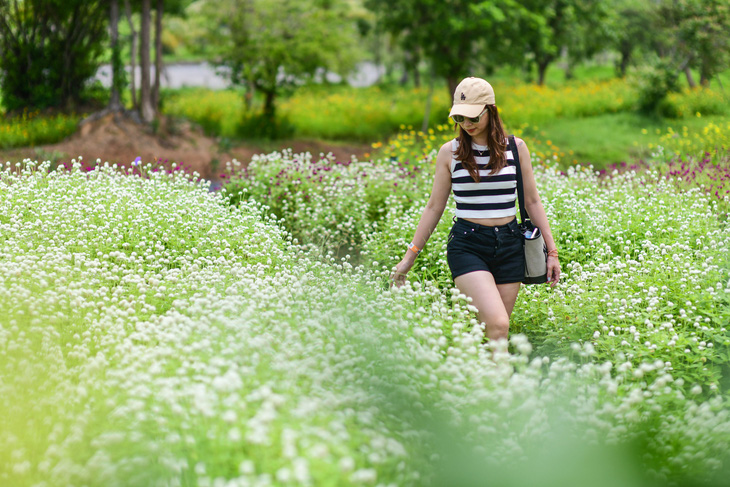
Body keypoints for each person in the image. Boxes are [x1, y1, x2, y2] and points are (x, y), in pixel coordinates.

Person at [391, 77, 560, 343]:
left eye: (473, 118)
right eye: (459, 118)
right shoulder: (450, 153)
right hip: (468, 245)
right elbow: (434, 207)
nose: (466, 125)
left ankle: (481, 380)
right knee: (498, 323)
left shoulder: (516, 148)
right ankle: (501, 383)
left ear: (490, 111)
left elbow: (532, 202)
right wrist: (409, 257)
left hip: (509, 245)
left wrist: (552, 252)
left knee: (495, 334)